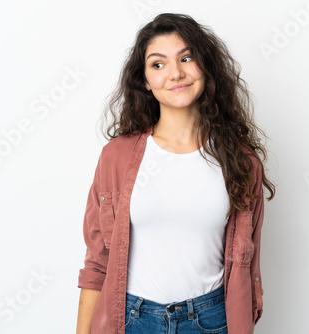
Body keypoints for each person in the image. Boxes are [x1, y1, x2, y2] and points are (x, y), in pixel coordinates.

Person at [76, 13, 275, 334]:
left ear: (205, 67)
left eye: (186, 58)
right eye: (158, 64)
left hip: (211, 319)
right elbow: (98, 262)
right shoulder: (117, 157)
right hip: (131, 319)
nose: (176, 73)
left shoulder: (241, 161)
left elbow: (246, 267)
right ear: (144, 80)